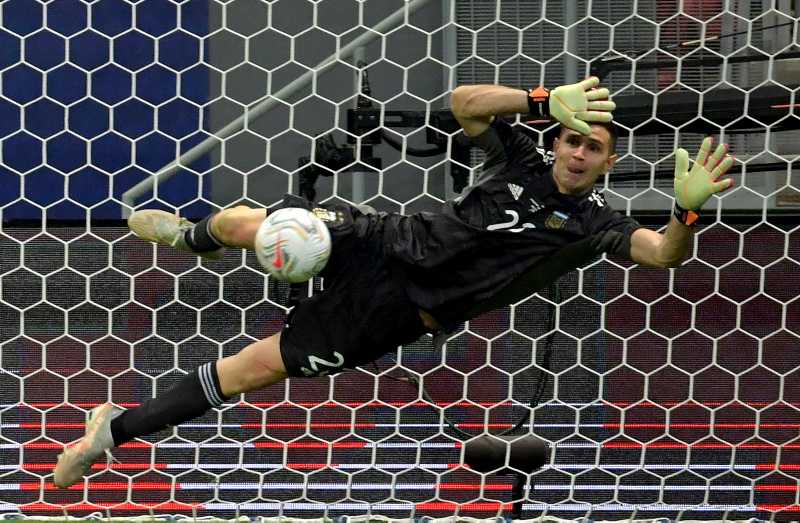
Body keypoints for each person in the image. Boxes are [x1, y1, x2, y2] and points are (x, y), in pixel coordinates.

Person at [53, 77, 734, 488]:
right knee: (258, 224)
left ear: (609, 163)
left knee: (249, 370)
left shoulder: (594, 224)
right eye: (572, 138)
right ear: (557, 138)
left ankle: (112, 432)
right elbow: (465, 105)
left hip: (401, 312)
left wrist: (688, 211)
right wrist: (536, 97)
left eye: (594, 148)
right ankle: (194, 238)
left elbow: (660, 253)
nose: (579, 152)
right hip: (386, 240)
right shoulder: (523, 154)